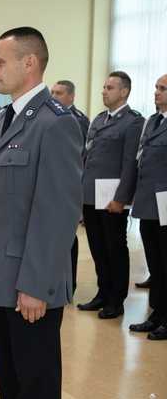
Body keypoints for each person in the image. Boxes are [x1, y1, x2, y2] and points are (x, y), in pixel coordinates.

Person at [0, 27, 83, 399]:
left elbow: (57, 212)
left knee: (35, 384)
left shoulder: (55, 123)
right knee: (10, 379)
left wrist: (36, 285)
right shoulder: (5, 117)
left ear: (29, 63)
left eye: (0, 62)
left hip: (29, 284)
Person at [78, 71, 144, 319]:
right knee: (96, 247)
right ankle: (102, 293)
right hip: (91, 193)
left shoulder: (133, 122)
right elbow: (87, 157)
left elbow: (130, 164)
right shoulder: (98, 119)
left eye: (110, 87)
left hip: (112, 196)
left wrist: (121, 197)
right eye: (104, 87)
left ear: (124, 91)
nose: (104, 91)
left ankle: (116, 300)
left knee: (114, 248)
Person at [128, 74, 167, 341]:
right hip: (149, 203)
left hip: (166, 204)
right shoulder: (153, 121)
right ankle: (157, 313)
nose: (156, 92)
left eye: (162, 89)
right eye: (156, 87)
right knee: (155, 263)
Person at [51, 79, 90, 294]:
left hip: (69, 187)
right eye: (52, 92)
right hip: (54, 185)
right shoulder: (51, 117)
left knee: (68, 238)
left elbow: (80, 158)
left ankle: (69, 283)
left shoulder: (77, 120)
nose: (53, 97)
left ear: (71, 97)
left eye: (59, 93)